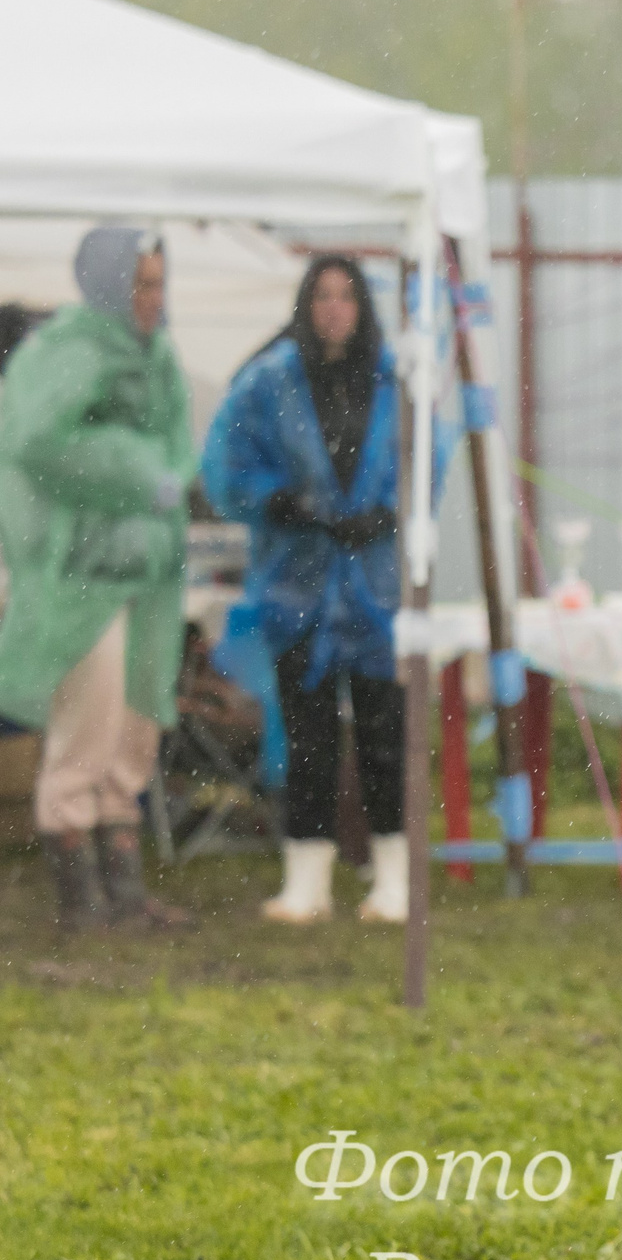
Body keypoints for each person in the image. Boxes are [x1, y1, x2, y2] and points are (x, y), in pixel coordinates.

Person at [201, 256, 409, 924]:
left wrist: (390, 511)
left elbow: (425, 457)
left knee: (383, 732)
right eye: (322, 295)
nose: (334, 308)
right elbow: (226, 463)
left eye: (347, 295)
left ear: (363, 306)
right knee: (308, 735)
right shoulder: (271, 382)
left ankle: (394, 878)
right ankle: (307, 881)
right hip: (298, 589)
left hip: (374, 591)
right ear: (304, 302)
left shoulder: (392, 381)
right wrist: (279, 501)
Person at [0, 227, 195, 931]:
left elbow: (178, 446)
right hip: (81, 573)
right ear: (109, 280)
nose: (151, 298)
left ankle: (125, 894)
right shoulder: (66, 352)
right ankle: (80, 902)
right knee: (90, 721)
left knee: (137, 727)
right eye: (140, 283)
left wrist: (165, 476)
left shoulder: (158, 357)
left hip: (149, 569)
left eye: (158, 283)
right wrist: (133, 466)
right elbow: (35, 440)